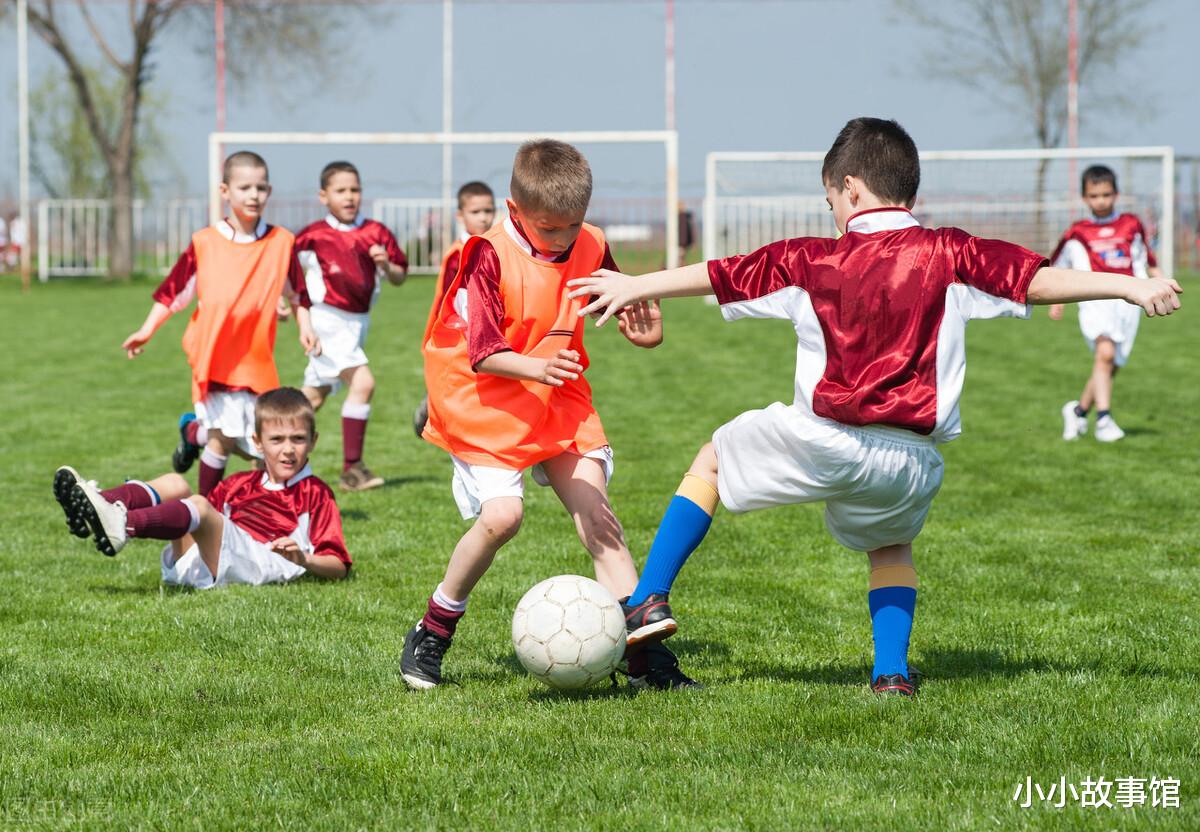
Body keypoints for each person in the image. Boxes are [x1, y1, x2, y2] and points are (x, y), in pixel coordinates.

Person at [567, 117, 1182, 696]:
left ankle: (648, 597)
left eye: (829, 197)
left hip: (828, 438)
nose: (830, 210)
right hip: (913, 461)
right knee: (890, 550)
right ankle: (890, 674)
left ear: (851, 190)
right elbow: (1038, 280)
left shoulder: (811, 258)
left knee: (712, 461)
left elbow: (721, 274)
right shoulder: (952, 252)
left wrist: (636, 284)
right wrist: (1130, 285)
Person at [403, 139, 697, 691]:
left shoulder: (591, 244)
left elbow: (620, 301)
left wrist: (646, 332)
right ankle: (434, 629)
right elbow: (484, 351)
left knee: (599, 519)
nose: (563, 239)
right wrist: (537, 369)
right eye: (548, 228)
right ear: (514, 212)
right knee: (502, 519)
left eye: (572, 226)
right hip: (484, 401)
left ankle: (645, 661)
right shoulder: (486, 256)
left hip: (557, 395)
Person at [122, 151, 318, 497]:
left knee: (256, 447)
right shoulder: (205, 242)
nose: (253, 195)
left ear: (269, 191)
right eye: (244, 187)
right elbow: (173, 293)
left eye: (260, 187)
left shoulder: (282, 243)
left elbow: (298, 294)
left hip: (256, 360)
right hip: (212, 355)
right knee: (223, 440)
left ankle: (195, 439)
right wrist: (146, 330)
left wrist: (306, 326)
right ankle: (206, 511)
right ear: (225, 191)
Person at [53, 387, 351, 588]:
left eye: (298, 439)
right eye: (277, 440)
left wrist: (304, 559)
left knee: (199, 504)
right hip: (213, 561)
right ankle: (98, 503)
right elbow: (195, 518)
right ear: (257, 443)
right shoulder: (239, 484)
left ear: (313, 441)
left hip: (263, 561)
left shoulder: (316, 493)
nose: (288, 450)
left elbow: (339, 565)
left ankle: (123, 522)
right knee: (176, 484)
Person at [294, 161, 409, 491]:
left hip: (358, 324)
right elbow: (286, 272)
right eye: (340, 190)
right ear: (323, 195)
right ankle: (352, 469)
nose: (349, 197)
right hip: (326, 320)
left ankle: (262, 446)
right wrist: (288, 306)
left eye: (354, 190)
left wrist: (386, 265)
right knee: (363, 383)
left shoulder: (376, 232)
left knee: (312, 398)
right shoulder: (313, 235)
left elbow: (401, 277)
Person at [1049, 165, 1164, 442]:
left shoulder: (1131, 224)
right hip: (1095, 301)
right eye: (1094, 195)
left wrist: (1158, 278)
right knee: (1105, 355)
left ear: (1116, 194)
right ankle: (1104, 421)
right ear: (1084, 198)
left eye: (1106, 194)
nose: (1101, 200)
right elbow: (1056, 265)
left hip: (1128, 303)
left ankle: (1078, 412)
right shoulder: (1077, 231)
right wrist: (1057, 301)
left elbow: (1146, 258)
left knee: (1110, 364)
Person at [412, 180, 498, 438]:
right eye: (476, 212)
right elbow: (452, 303)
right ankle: (430, 408)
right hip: (456, 336)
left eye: (488, 211)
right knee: (464, 395)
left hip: (483, 332)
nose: (483, 218)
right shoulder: (458, 254)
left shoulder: (494, 247)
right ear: (460, 216)